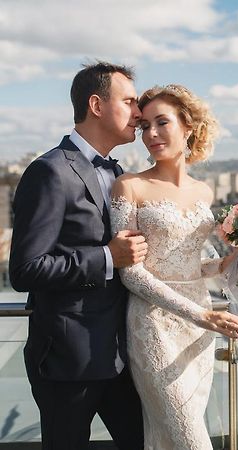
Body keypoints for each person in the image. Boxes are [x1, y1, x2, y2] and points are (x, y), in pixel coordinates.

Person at [9, 62, 147, 450]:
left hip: (121, 356)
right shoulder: (50, 171)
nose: (139, 113)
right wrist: (106, 257)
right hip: (69, 362)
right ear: (96, 105)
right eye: (130, 101)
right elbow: (25, 269)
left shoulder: (117, 171)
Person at [110, 84, 238, 450]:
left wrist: (236, 257)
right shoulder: (128, 187)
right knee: (191, 440)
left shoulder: (204, 192)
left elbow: (194, 266)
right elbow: (131, 273)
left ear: (188, 126)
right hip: (153, 327)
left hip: (200, 332)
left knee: (172, 439)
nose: (152, 134)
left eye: (162, 123)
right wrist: (202, 316)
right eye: (145, 126)